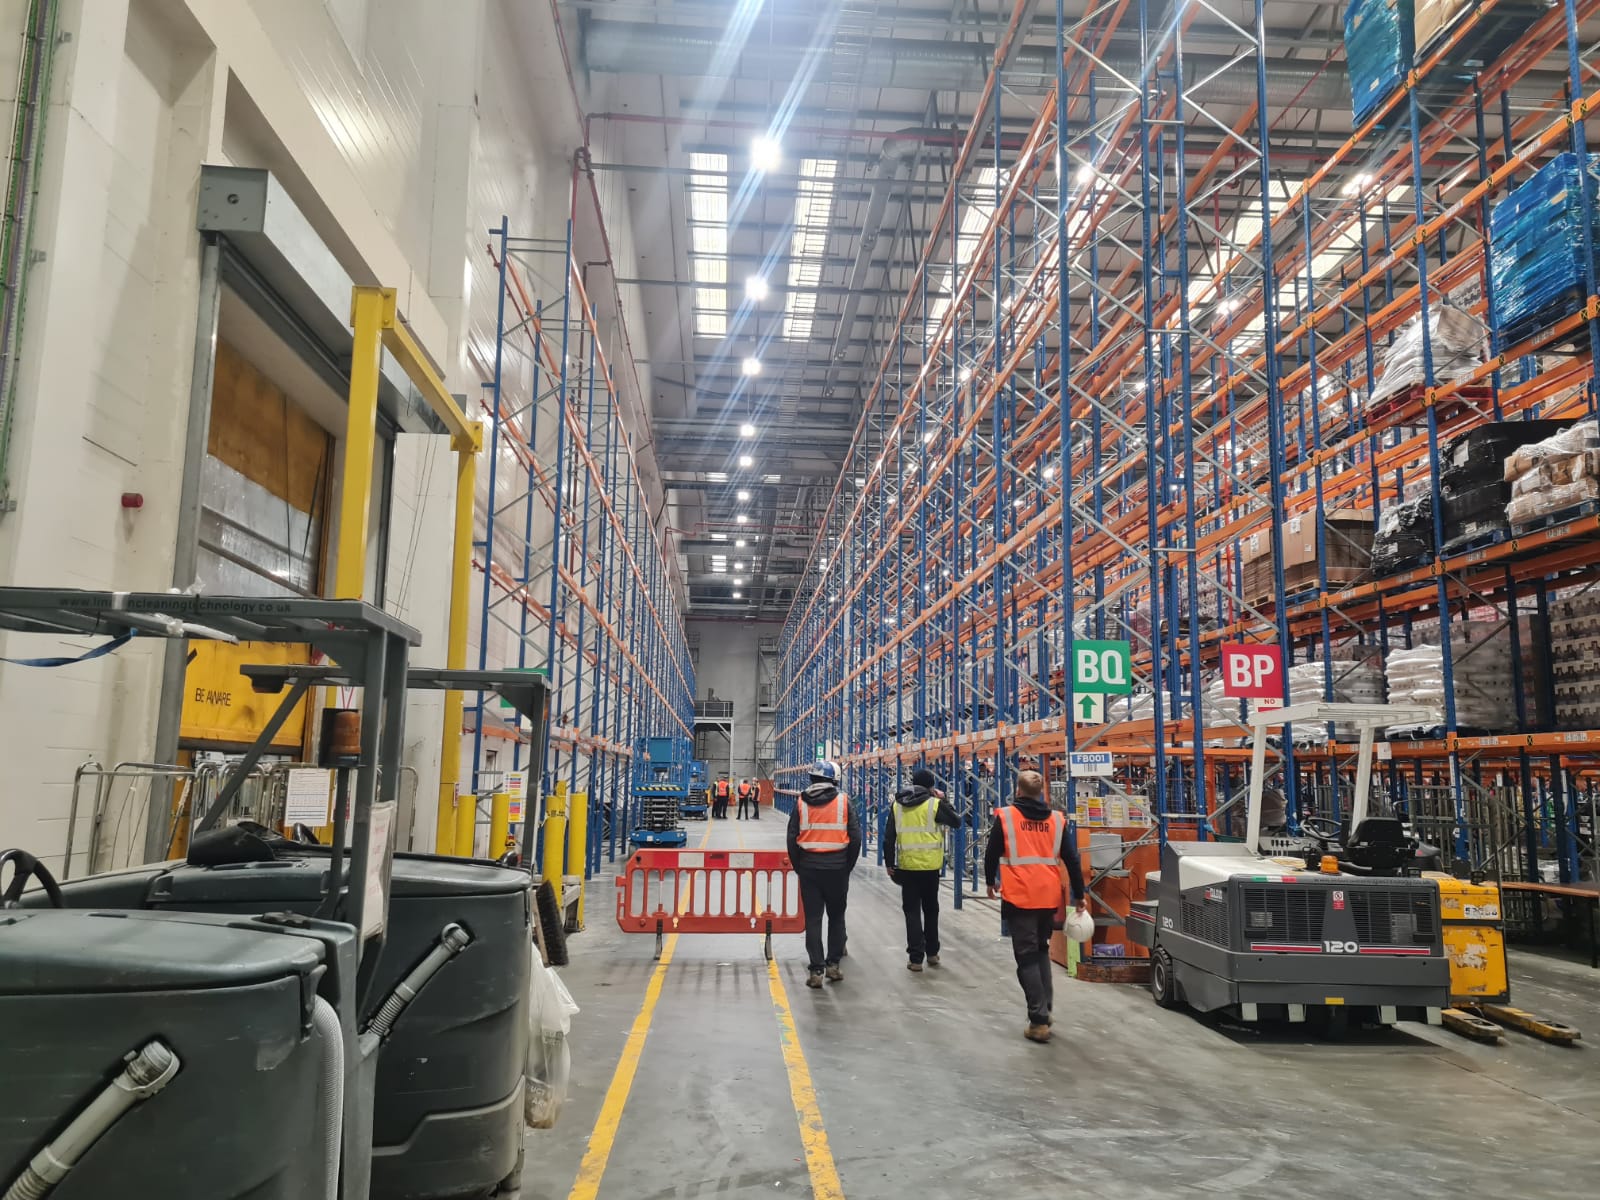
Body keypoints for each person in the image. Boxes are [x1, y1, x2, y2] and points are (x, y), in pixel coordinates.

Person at [984, 770, 1087, 1044]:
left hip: (1020, 897)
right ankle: (1045, 1008)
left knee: (1027, 956)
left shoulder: (1006, 817)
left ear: (1018, 790)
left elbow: (991, 853)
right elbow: (1072, 859)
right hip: (1048, 897)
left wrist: (990, 882)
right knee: (1041, 949)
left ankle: (1039, 1019)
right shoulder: (1056, 820)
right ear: (1041, 793)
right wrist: (1080, 894)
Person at [786, 760, 860, 988]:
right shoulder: (844, 801)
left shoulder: (801, 802)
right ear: (834, 780)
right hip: (837, 868)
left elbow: (791, 837)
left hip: (809, 868)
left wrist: (799, 866)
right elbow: (855, 837)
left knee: (813, 919)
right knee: (836, 917)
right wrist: (847, 865)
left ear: (812, 778)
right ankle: (833, 966)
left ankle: (816, 970)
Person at [884, 767, 960, 972]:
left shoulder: (897, 805)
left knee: (911, 912)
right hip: (930, 867)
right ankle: (932, 953)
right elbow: (956, 821)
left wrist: (889, 863)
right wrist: (944, 800)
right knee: (931, 910)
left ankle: (916, 958)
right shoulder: (934, 804)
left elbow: (889, 837)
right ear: (931, 786)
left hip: (907, 866)